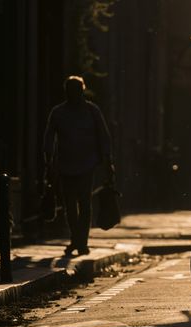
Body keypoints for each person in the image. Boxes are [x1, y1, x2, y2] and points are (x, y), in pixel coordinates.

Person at [44, 76, 114, 257]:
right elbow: (49, 138)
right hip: (66, 165)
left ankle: (80, 241)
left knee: (82, 204)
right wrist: (49, 160)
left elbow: (103, 137)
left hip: (85, 165)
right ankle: (78, 240)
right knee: (72, 205)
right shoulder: (59, 112)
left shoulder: (91, 111)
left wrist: (108, 161)